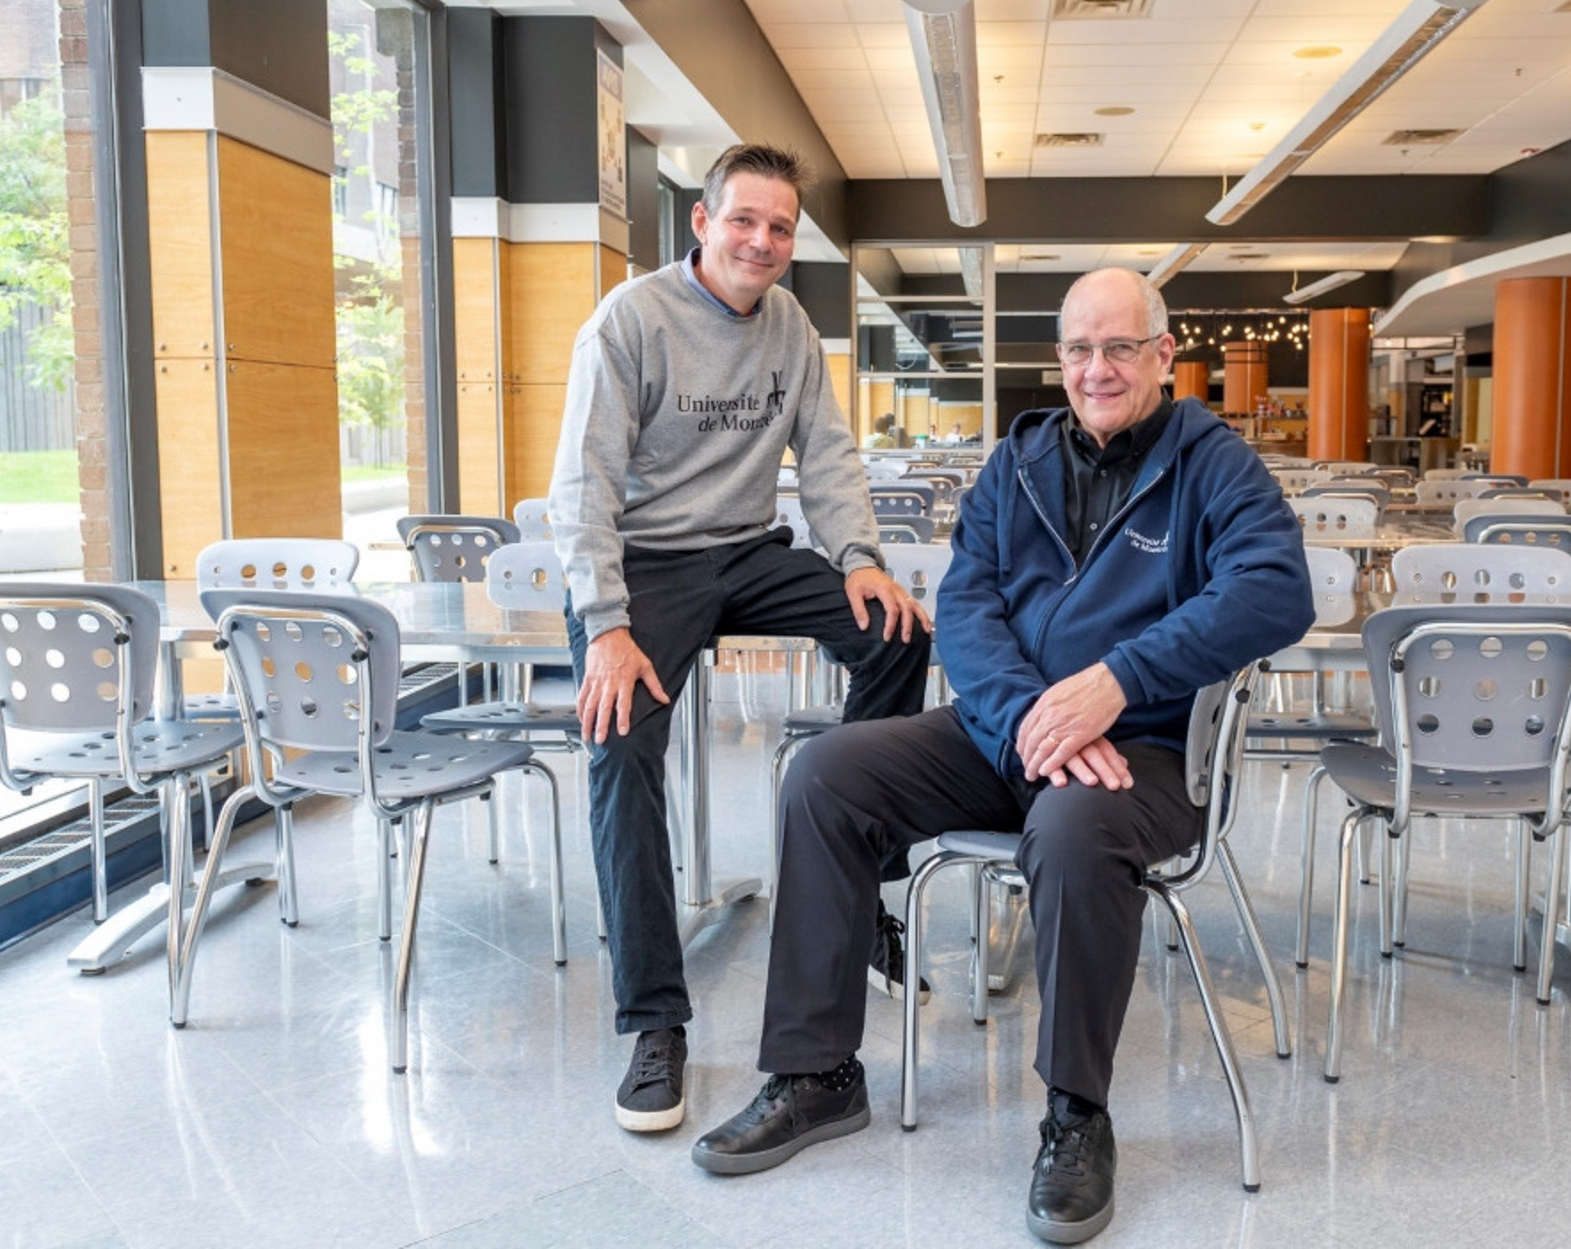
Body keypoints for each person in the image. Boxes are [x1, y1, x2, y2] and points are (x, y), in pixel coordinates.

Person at [690, 267, 1315, 1243]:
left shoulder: (1212, 464)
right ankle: (815, 1072)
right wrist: (1029, 718)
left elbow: (1275, 592)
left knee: (1070, 825)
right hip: (1007, 732)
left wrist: (1115, 681)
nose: (1095, 368)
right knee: (824, 773)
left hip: (1145, 752)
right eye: (1077, 349)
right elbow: (971, 607)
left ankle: (1075, 1115)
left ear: (1162, 355)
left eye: (1118, 347)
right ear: (1057, 359)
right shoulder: (1019, 464)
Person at [549, 143, 935, 1135]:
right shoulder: (628, 322)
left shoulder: (791, 323)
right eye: (743, 221)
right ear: (701, 222)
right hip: (642, 564)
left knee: (892, 634)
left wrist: (856, 557)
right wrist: (603, 627)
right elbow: (582, 484)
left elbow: (829, 448)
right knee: (617, 745)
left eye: (778, 228)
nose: (761, 242)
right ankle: (654, 1023)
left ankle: (867, 890)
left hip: (748, 551)